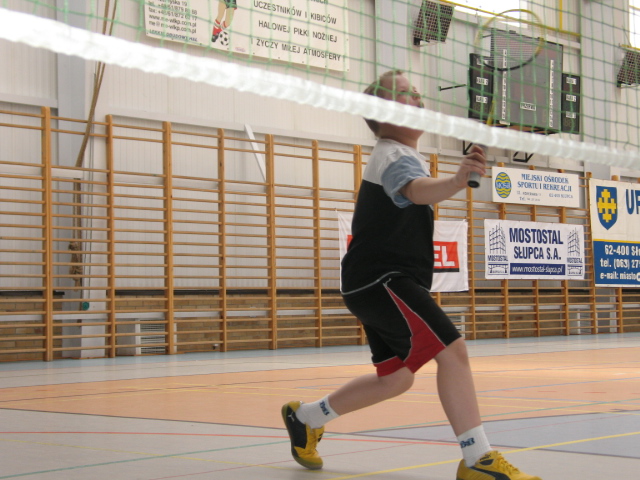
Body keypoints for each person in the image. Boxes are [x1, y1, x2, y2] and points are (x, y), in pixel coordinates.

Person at [281, 70, 543, 480]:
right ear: (383, 113)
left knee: (396, 379)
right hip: (383, 278)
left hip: (370, 283)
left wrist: (453, 178)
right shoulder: (393, 155)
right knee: (453, 352)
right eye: (405, 94)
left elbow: (417, 186)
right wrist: (457, 179)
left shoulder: (403, 155)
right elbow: (414, 190)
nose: (417, 98)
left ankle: (306, 418)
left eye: (417, 93)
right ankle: (478, 459)